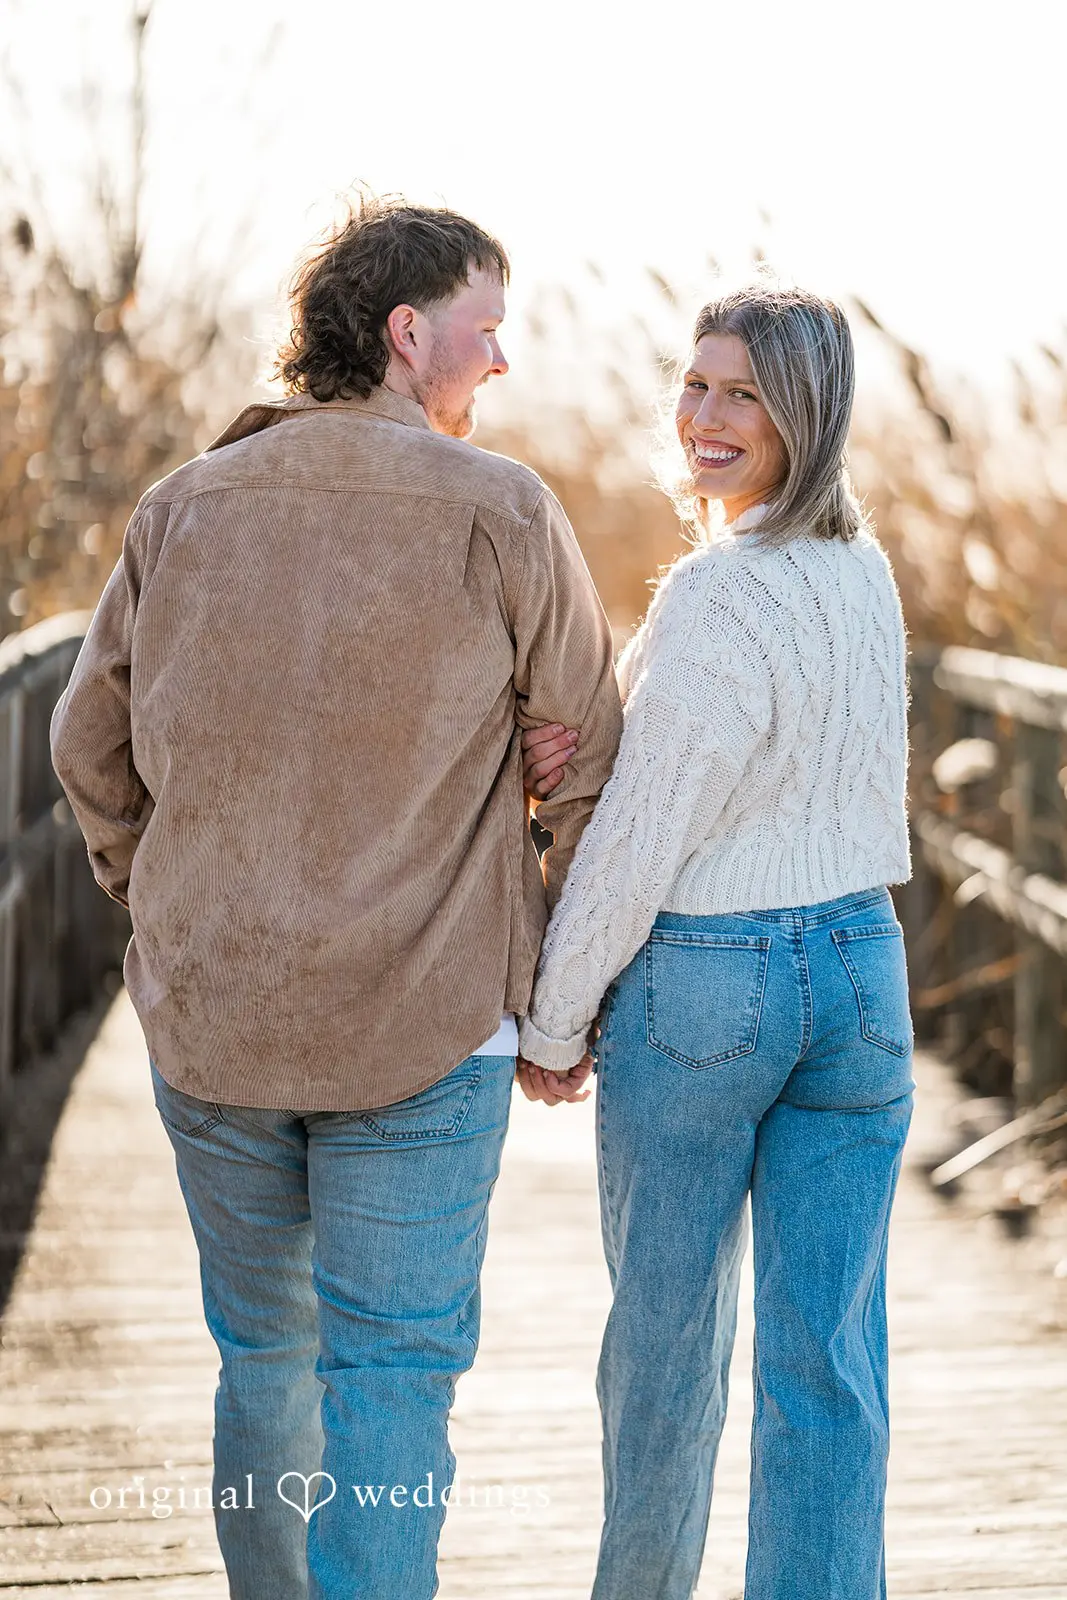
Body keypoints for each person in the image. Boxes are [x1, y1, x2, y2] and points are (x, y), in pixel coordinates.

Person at [49, 193, 622, 1600]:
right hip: (429, 1027)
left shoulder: (179, 506)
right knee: (393, 1372)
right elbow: (591, 754)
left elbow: (84, 748)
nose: (500, 365)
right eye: (486, 333)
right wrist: (557, 971)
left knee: (264, 1355)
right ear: (408, 333)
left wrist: (159, 897)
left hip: (216, 1016)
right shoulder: (501, 512)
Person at [518, 285, 913, 1600]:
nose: (702, 415)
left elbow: (640, 839)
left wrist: (557, 1017)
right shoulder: (862, 578)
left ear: (804, 415)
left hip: (706, 988)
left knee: (664, 1360)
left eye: (741, 393)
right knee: (829, 1365)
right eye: (693, 384)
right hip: (859, 974)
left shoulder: (712, 598)